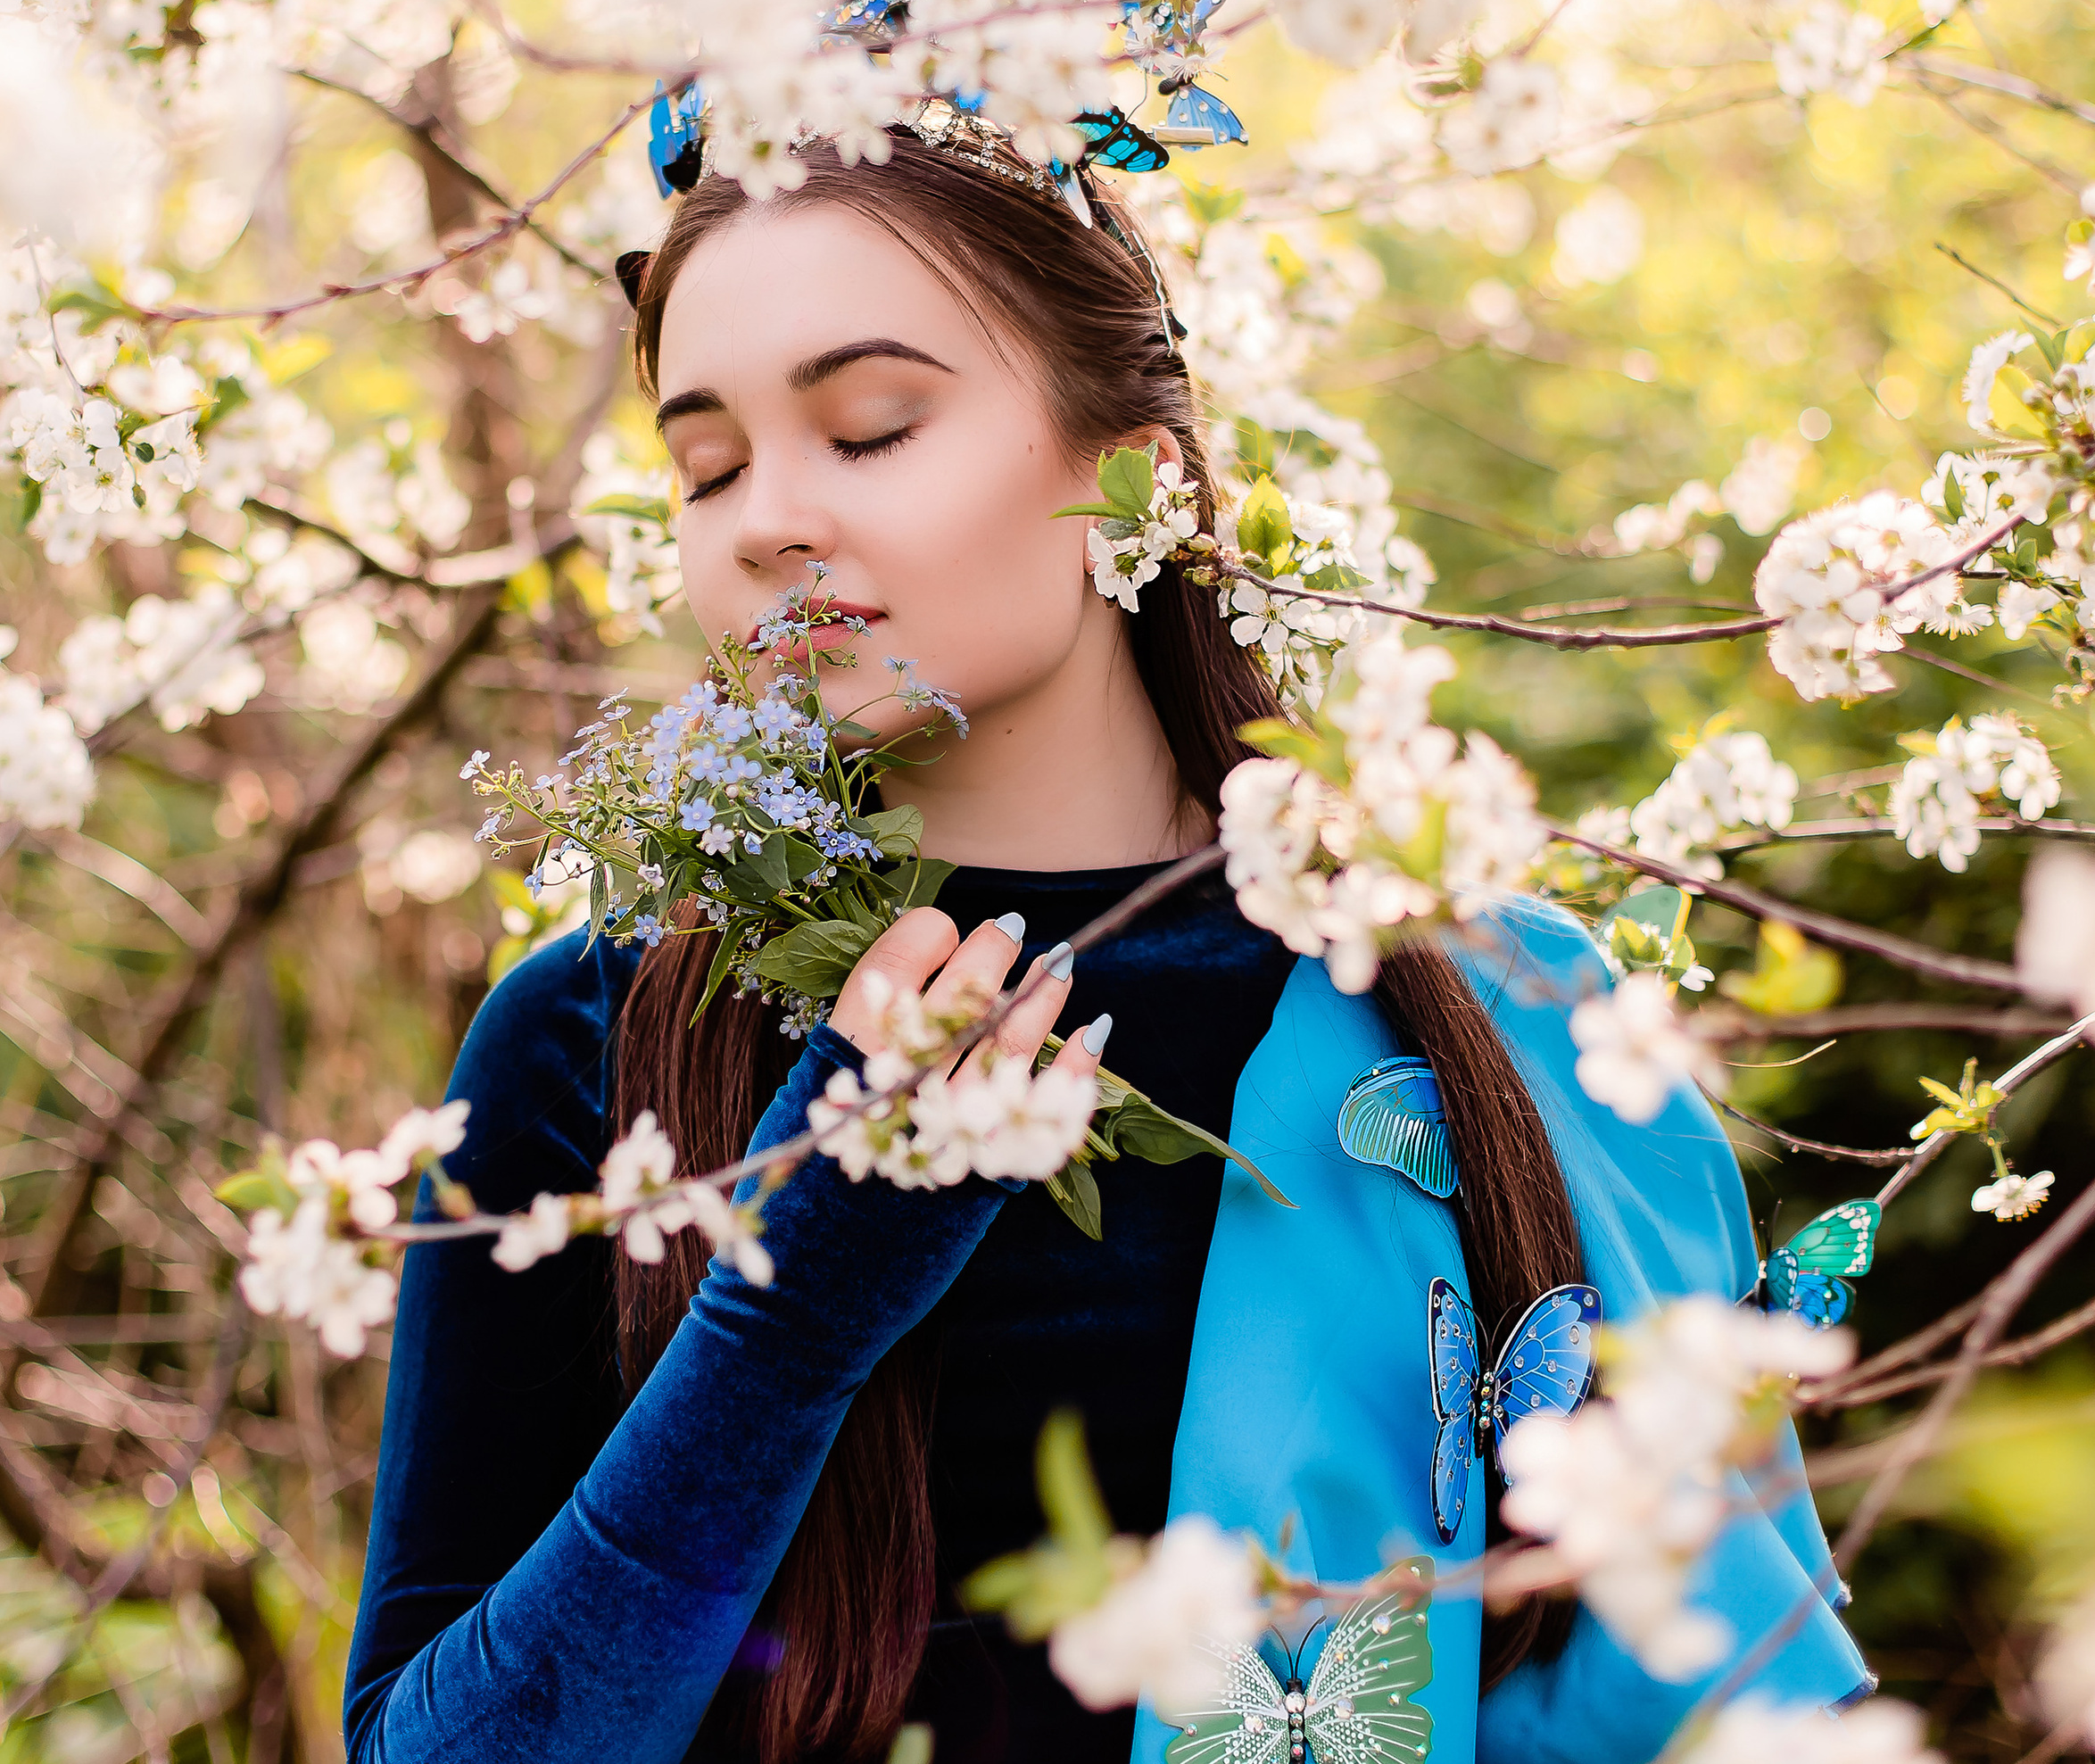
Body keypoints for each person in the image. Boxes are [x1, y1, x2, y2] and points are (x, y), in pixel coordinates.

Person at [344, 113, 1870, 1764]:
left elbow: (1717, 1699)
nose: (766, 518)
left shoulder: (1508, 1011)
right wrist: (797, 1310)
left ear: (1128, 468)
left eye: (868, 428)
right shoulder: (596, 1037)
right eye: (708, 466)